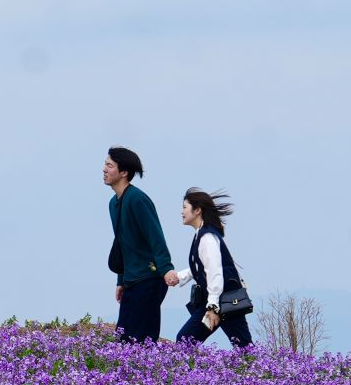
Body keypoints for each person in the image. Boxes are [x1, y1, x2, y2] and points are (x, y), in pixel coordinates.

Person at [165, 188, 253, 349]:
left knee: (244, 349)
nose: (181, 212)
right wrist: (180, 276)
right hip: (218, 300)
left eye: (185, 207)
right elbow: (202, 267)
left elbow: (215, 273)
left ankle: (265, 373)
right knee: (186, 341)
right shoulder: (201, 234)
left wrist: (213, 308)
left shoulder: (207, 238)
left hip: (223, 302)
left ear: (197, 210)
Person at [101, 146, 173, 342]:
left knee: (141, 341)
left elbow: (155, 236)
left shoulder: (137, 199)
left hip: (149, 279)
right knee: (123, 339)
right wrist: (121, 280)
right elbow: (122, 246)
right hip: (132, 281)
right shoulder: (113, 203)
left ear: (124, 172)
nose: (104, 169)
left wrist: (166, 269)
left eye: (109, 165)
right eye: (105, 164)